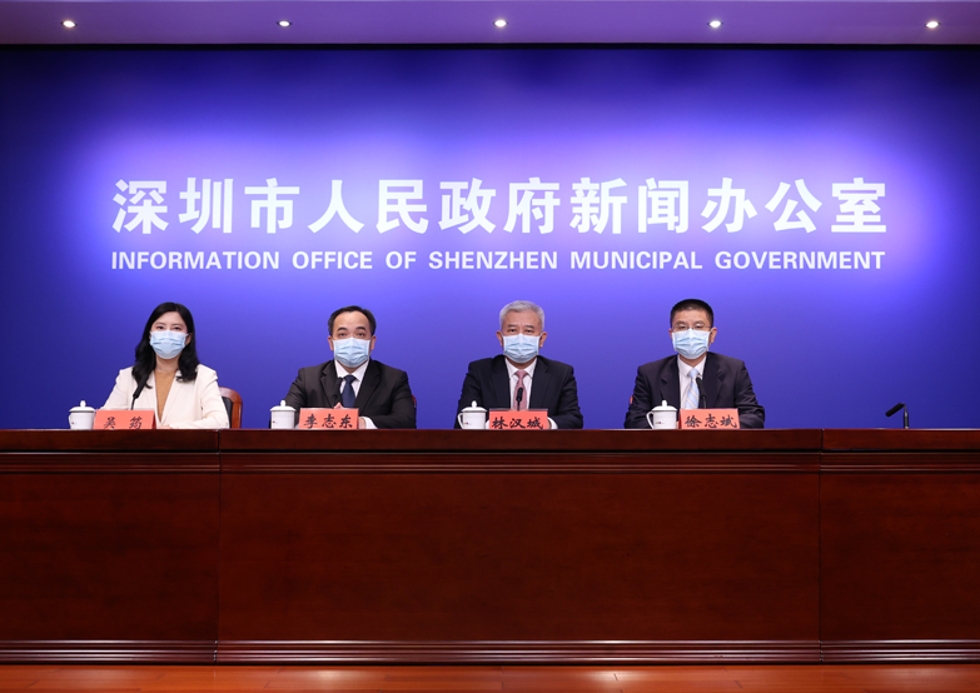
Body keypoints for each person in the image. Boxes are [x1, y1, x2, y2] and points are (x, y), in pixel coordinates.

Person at [625, 298, 765, 429]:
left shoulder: (734, 370)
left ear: (712, 334)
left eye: (698, 327)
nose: (690, 334)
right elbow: (634, 420)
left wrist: (706, 428)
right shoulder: (650, 373)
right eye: (682, 327)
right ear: (672, 334)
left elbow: (753, 417)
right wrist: (672, 428)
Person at [455, 300, 583, 429]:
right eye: (512, 330)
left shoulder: (561, 374)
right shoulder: (480, 372)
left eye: (528, 331)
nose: (520, 337)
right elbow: (463, 422)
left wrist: (544, 423)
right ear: (500, 338)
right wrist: (499, 422)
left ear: (542, 339)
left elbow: (573, 419)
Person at [284, 305, 416, 429]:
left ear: (372, 342)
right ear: (331, 343)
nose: (351, 341)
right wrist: (329, 419)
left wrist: (361, 422)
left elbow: (406, 421)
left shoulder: (394, 379)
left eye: (360, 334)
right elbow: (284, 420)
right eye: (342, 334)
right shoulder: (308, 378)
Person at [102, 302, 230, 429]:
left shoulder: (204, 376)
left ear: (187, 338)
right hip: (139, 443)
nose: (167, 334)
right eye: (160, 327)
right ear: (150, 335)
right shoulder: (128, 377)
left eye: (176, 328)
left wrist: (172, 429)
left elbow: (220, 422)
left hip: (183, 443)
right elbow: (105, 422)